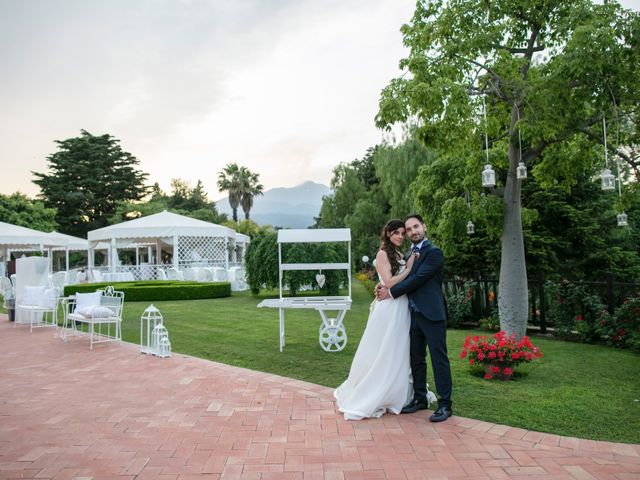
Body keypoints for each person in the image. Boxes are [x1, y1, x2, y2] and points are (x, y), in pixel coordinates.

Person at [334, 219, 419, 420]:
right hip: (388, 308)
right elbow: (388, 282)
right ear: (388, 233)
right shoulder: (382, 254)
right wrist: (407, 269)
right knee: (384, 348)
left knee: (398, 348)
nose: (400, 236)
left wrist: (407, 266)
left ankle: (395, 390)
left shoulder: (398, 254)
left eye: (401, 233)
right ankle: (375, 391)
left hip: (401, 306)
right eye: (396, 233)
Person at [376, 214, 453, 422]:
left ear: (424, 227)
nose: (412, 232)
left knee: (439, 359)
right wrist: (383, 286)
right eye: (408, 230)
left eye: (415, 227)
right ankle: (420, 398)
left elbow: (418, 279)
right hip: (412, 315)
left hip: (432, 314)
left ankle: (445, 404)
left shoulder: (434, 253)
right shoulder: (408, 253)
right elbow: (397, 275)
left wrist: (390, 293)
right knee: (416, 359)